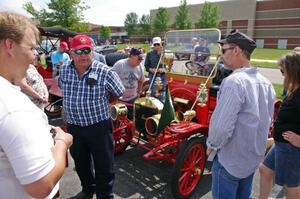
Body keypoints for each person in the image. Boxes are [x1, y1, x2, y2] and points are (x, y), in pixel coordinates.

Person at [0, 12, 72, 199]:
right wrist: (62, 142)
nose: (34, 56)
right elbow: (41, 186)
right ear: (9, 45)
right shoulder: (13, 107)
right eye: (31, 47)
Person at [206, 29, 276, 199]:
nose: (221, 55)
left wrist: (212, 145)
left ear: (236, 50)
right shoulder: (267, 84)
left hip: (230, 160)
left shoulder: (233, 82)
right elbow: (266, 122)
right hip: (250, 159)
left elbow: (222, 128)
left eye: (224, 50)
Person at [59, 34, 125, 199]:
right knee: (80, 163)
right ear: (71, 53)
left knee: (104, 165)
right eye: (79, 51)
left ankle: (105, 195)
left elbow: (118, 92)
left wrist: (104, 103)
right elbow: (62, 89)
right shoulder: (65, 70)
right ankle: (88, 190)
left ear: (92, 51)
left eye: (87, 50)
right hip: (74, 126)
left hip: (99, 127)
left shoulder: (104, 71)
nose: (84, 55)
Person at [259, 53, 300, 199]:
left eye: (283, 71)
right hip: (282, 144)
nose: (282, 75)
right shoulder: (295, 89)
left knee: (291, 185)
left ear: (293, 70)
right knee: (265, 170)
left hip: (291, 148)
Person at [112, 47, 145, 119]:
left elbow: (141, 80)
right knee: (117, 121)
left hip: (132, 99)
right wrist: (114, 99)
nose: (140, 61)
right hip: (119, 100)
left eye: (141, 59)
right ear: (131, 56)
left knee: (132, 120)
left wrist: (139, 93)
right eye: (139, 59)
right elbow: (111, 81)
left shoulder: (140, 67)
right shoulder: (119, 64)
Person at [144, 36, 166, 102]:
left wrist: (163, 70)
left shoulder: (165, 53)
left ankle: (162, 105)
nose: (156, 46)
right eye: (155, 44)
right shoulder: (149, 54)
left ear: (161, 44)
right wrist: (151, 70)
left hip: (162, 76)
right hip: (152, 75)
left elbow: (169, 65)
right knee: (153, 91)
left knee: (162, 92)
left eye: (158, 44)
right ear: (153, 45)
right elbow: (146, 66)